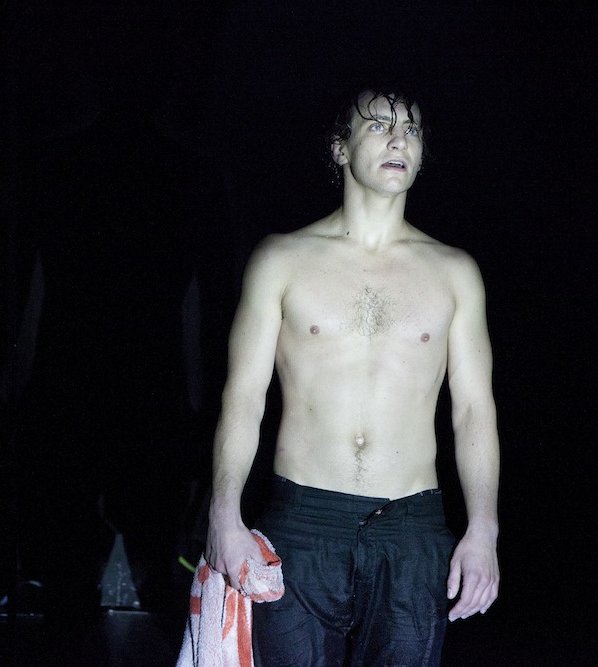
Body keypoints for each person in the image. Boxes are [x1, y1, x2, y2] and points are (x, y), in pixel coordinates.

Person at [205, 88, 500, 666]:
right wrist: (224, 514)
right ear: (340, 148)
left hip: (412, 527)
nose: (399, 140)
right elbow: (242, 398)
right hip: (302, 522)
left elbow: (474, 412)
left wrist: (484, 529)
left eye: (412, 130)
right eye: (380, 126)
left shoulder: (455, 272)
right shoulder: (282, 259)